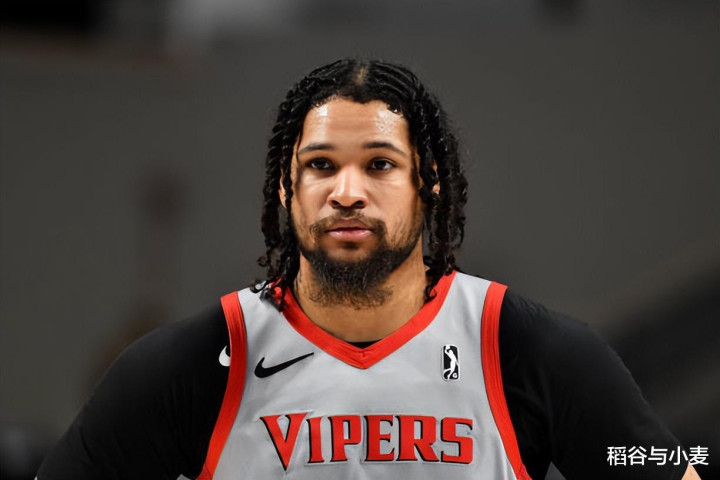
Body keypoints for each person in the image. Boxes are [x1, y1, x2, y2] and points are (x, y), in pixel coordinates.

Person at [37, 59, 701, 480]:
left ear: (427, 183)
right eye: (321, 165)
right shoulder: (196, 363)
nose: (347, 192)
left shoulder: (527, 348)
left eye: (379, 164)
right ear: (286, 188)